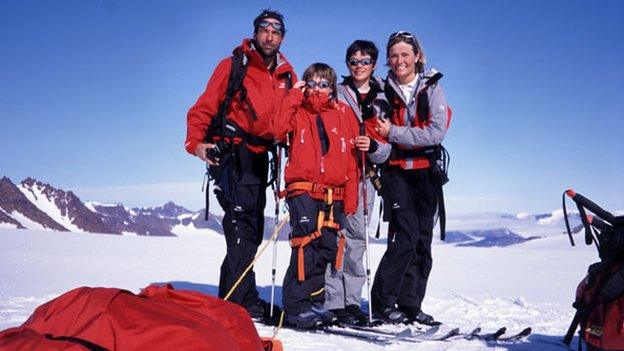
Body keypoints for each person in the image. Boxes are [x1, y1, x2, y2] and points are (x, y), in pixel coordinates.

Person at [184, 10, 297, 320]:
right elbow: (204, 106)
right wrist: (196, 144)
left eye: (276, 30)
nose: (269, 35)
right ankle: (239, 301)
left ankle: (233, 295)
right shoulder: (234, 66)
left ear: (282, 37)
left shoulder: (287, 75)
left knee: (250, 228)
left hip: (261, 158)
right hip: (233, 155)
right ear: (255, 32)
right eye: (264, 29)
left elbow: (291, 117)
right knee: (242, 227)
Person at [272, 63, 370, 329]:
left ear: (332, 87)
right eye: (312, 83)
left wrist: (351, 197)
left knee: (327, 245)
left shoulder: (343, 113)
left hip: (335, 193)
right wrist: (293, 95)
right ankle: (295, 306)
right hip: (303, 189)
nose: (317, 89)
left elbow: (352, 159)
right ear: (304, 85)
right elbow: (277, 129)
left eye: (323, 84)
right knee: (305, 244)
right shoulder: (297, 110)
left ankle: (314, 301)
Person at [368, 31, 452, 325]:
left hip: (426, 174)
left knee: (422, 242)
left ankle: (410, 304)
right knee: (404, 237)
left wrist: (394, 132)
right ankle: (382, 303)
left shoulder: (432, 88)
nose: (399, 60)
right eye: (394, 55)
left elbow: (435, 132)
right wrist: (392, 136)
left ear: (417, 56)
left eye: (405, 54)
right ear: (388, 61)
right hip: (397, 172)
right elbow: (377, 130)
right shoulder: (381, 91)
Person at [324, 40, 388, 326]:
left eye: (364, 61)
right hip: (339, 175)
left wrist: (373, 146)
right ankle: (333, 301)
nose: (359, 66)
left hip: (366, 177)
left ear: (373, 64)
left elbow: (389, 146)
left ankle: (352, 301)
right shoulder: (337, 92)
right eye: (353, 61)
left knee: (358, 241)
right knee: (336, 236)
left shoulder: (384, 97)